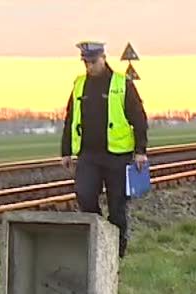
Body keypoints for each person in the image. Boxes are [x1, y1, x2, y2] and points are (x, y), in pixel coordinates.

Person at [60, 41, 149, 259]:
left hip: (117, 156)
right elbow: (70, 119)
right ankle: (100, 237)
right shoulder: (80, 85)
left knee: (117, 206)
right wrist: (66, 151)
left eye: (92, 61)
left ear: (103, 58)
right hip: (88, 155)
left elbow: (139, 118)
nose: (89, 66)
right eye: (85, 62)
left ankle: (117, 250)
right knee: (85, 195)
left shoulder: (121, 83)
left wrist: (140, 150)